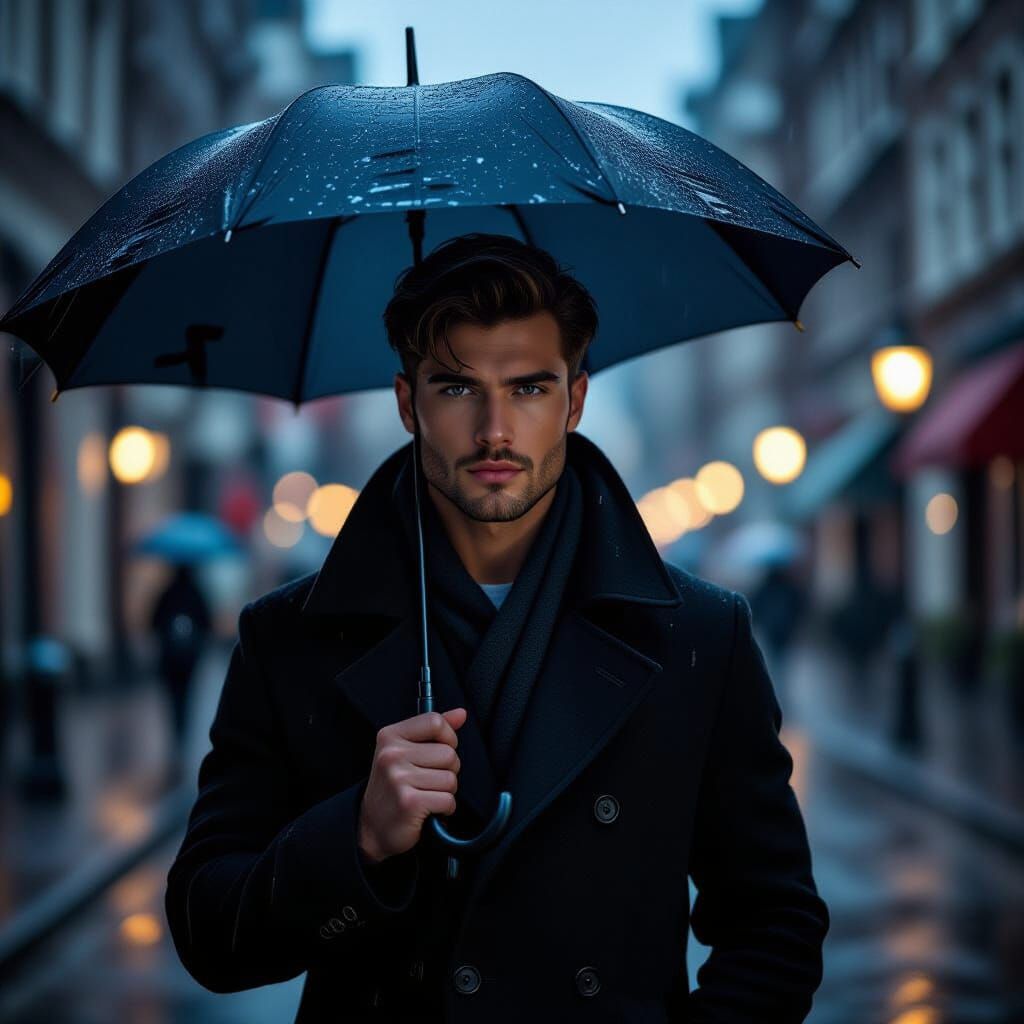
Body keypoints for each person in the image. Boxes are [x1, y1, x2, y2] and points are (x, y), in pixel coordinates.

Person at [165, 233, 829, 1022]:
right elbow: (210, 934)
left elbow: (775, 922)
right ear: (408, 401)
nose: (494, 431)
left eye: (528, 388)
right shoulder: (291, 637)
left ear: (575, 400)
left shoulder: (698, 636)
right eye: (455, 389)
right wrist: (358, 838)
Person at [149, 563, 212, 761]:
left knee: (173, 697)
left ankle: (177, 733)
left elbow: (152, 622)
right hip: (189, 658)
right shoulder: (196, 593)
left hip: (170, 658)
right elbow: (207, 622)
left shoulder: (166, 594)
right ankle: (182, 732)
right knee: (186, 696)